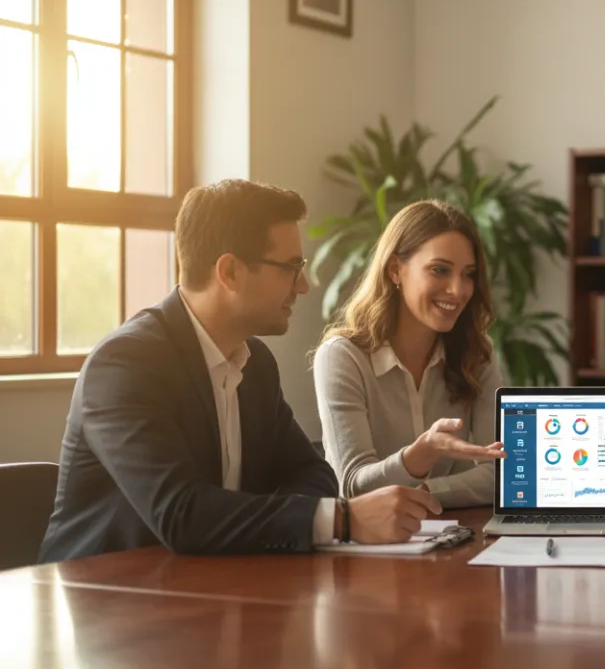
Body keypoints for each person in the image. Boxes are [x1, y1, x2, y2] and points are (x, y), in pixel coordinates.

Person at [39, 180, 442, 563]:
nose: (302, 285)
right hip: (97, 603)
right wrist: (343, 520)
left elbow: (311, 472)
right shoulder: (126, 364)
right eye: (289, 267)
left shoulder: (256, 363)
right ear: (229, 272)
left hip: (204, 590)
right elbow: (182, 514)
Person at [313, 200, 506, 508]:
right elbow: (352, 487)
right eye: (439, 270)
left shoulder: (477, 354)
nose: (458, 290)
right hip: (369, 548)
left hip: (454, 537)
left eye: (468, 274)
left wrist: (423, 494)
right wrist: (420, 455)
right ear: (395, 270)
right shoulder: (343, 357)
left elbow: (499, 473)